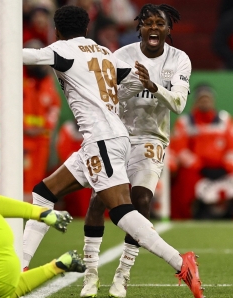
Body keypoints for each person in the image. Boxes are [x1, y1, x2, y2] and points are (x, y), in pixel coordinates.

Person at [0, 5, 204, 298]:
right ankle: (19, 268)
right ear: (87, 29)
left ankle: (181, 262)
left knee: (123, 212)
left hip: (103, 140)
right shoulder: (101, 52)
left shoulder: (62, 50)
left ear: (57, 31)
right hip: (108, 139)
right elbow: (129, 77)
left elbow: (27, 55)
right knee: (44, 193)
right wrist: (153, 83)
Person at [77, 4, 192, 298]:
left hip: (152, 138)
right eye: (147, 23)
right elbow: (107, 96)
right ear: (138, 26)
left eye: (160, 23)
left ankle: (122, 275)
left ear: (169, 30)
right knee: (97, 205)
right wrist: (129, 88)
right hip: (117, 135)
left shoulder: (179, 59)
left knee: (141, 199)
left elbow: (178, 104)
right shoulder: (120, 57)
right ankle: (90, 275)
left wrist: (153, 86)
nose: (153, 28)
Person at [170, 84, 233, 219]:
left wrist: (226, 166)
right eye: (202, 99)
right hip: (197, 169)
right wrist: (200, 166)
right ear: (196, 101)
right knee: (185, 181)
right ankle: (185, 219)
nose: (205, 101)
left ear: (213, 101)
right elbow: (180, 149)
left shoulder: (225, 119)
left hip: (223, 168)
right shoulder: (185, 121)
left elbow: (231, 146)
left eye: (208, 98)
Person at [22, 39, 61, 200]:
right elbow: (9, 104)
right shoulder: (18, 78)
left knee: (38, 174)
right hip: (23, 137)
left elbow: (54, 106)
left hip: (42, 137)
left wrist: (47, 126)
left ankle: (32, 209)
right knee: (23, 173)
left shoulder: (47, 79)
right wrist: (24, 127)